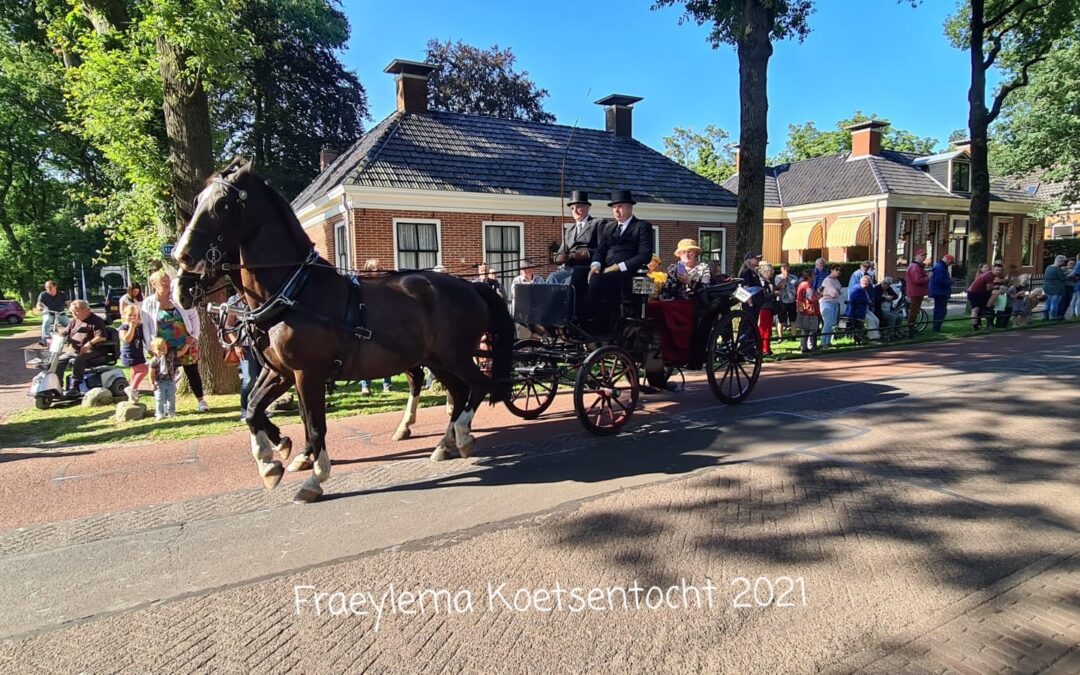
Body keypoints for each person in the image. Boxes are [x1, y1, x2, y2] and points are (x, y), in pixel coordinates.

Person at [141, 270, 210, 412]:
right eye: (163, 282)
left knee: (192, 371)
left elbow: (194, 317)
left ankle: (201, 401)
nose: (167, 285)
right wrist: (150, 346)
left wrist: (194, 336)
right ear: (154, 284)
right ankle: (166, 404)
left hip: (186, 342)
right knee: (164, 374)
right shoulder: (149, 303)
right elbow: (146, 326)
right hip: (162, 346)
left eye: (168, 281)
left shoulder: (178, 298)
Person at [586, 190, 654, 335]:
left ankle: (596, 325)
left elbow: (645, 255)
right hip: (605, 271)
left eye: (620, 206)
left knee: (598, 282)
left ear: (630, 207)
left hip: (628, 274)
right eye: (614, 207)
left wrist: (619, 267)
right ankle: (576, 320)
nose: (616, 210)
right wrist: (595, 265)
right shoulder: (608, 228)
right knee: (579, 275)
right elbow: (600, 250)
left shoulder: (642, 227)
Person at [55, 299, 109, 396]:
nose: (73, 313)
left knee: (79, 360)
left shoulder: (96, 320)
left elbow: (101, 336)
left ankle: (75, 387)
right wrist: (58, 336)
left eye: (75, 311)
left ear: (86, 310)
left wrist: (90, 344)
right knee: (58, 360)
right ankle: (57, 386)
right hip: (75, 349)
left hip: (94, 350)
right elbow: (65, 332)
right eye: (72, 311)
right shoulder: (74, 321)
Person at [548, 190, 602, 285]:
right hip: (568, 268)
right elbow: (561, 252)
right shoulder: (569, 230)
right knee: (552, 278)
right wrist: (559, 258)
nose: (575, 211)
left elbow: (603, 249)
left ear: (587, 207)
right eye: (572, 208)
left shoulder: (597, 223)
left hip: (586, 268)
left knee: (568, 282)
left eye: (578, 207)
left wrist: (587, 253)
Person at [119, 304, 148, 402]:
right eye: (130, 315)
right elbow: (127, 339)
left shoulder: (140, 327)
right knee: (144, 370)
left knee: (135, 372)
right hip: (129, 354)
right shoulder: (124, 327)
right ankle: (132, 388)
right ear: (125, 316)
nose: (133, 317)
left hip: (139, 353)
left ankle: (132, 395)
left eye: (135, 315)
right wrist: (131, 327)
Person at [147, 337, 179, 420]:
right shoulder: (153, 361)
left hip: (170, 381)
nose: (162, 350)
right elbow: (151, 374)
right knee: (159, 398)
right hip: (159, 382)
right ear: (153, 350)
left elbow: (181, 353)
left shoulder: (170, 355)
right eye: (159, 348)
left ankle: (171, 411)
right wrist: (152, 384)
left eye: (164, 348)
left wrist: (187, 344)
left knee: (171, 398)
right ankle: (159, 413)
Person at [36, 280, 70, 345]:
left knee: (69, 324)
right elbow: (39, 303)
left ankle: (70, 338)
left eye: (50, 287)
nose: (48, 288)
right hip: (49, 313)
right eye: (46, 287)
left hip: (61, 313)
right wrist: (39, 308)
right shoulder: (43, 294)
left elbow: (68, 302)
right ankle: (44, 339)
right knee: (46, 321)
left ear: (55, 286)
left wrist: (70, 308)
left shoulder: (62, 294)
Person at [905, 249, 930, 337]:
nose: (924, 257)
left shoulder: (916, 266)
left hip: (917, 292)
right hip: (915, 292)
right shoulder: (915, 267)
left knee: (915, 311)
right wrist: (928, 277)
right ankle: (910, 329)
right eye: (922, 255)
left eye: (924, 255)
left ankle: (912, 328)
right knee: (914, 311)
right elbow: (917, 280)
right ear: (917, 256)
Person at [795, 269, 820, 353]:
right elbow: (811, 298)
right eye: (813, 275)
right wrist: (819, 295)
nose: (814, 277)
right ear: (809, 276)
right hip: (809, 310)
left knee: (805, 329)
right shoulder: (807, 286)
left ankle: (803, 346)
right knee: (812, 329)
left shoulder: (801, 284)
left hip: (802, 309)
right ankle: (811, 346)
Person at [819, 265, 843, 347]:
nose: (838, 272)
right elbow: (833, 293)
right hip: (827, 302)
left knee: (832, 323)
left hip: (835, 303)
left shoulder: (836, 280)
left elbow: (841, 291)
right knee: (827, 323)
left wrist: (837, 291)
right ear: (831, 270)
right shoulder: (827, 280)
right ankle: (823, 342)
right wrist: (837, 291)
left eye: (840, 270)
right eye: (836, 269)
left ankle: (828, 341)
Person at [756, 261, 777, 356]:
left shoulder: (769, 281)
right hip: (764, 306)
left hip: (769, 306)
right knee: (763, 328)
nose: (772, 273)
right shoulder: (762, 281)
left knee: (768, 328)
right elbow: (763, 295)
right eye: (770, 271)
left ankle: (767, 347)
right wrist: (774, 294)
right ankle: (763, 348)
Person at [929, 254, 954, 332]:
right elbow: (940, 280)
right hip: (940, 292)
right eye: (950, 262)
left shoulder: (939, 266)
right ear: (947, 260)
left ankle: (936, 326)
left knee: (938, 309)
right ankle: (937, 327)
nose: (950, 264)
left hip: (938, 291)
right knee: (941, 310)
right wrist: (950, 281)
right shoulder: (940, 267)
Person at [966, 263, 995, 330]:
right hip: (977, 294)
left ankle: (977, 324)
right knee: (977, 309)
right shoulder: (982, 276)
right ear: (981, 269)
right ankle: (976, 325)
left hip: (979, 294)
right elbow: (988, 287)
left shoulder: (987, 275)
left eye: (988, 267)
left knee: (977, 309)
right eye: (985, 267)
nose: (987, 268)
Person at [774, 262, 799, 341]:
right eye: (784, 268)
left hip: (792, 300)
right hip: (782, 300)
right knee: (781, 320)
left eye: (787, 267)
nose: (786, 270)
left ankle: (793, 336)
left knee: (793, 319)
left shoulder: (794, 277)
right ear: (781, 269)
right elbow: (778, 287)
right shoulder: (778, 277)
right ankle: (780, 337)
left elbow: (797, 287)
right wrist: (784, 278)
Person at [847, 275, 874, 343]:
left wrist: (871, 300)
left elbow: (872, 296)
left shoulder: (866, 289)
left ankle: (875, 335)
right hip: (859, 311)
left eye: (868, 283)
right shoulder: (856, 288)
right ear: (862, 281)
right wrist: (867, 301)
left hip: (866, 309)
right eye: (866, 283)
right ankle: (873, 337)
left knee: (876, 320)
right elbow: (853, 299)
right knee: (871, 321)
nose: (867, 284)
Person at [1043, 255, 1068, 321]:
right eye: (1063, 261)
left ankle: (1045, 317)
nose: (1063, 263)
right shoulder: (1057, 269)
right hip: (1056, 289)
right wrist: (1069, 273)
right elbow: (1063, 278)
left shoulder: (1048, 267)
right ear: (1060, 261)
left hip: (1047, 288)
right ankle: (1053, 317)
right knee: (1054, 304)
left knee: (1047, 303)